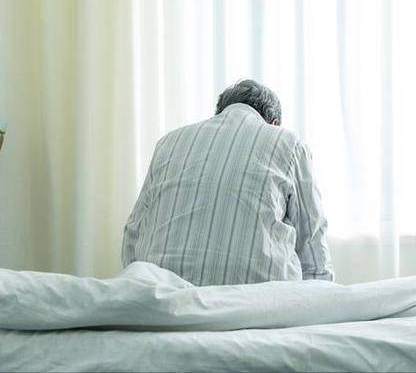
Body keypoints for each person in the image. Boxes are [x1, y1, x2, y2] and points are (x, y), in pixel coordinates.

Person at [122, 79, 333, 286]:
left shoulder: (168, 142)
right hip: (257, 300)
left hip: (165, 296)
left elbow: (134, 231)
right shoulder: (290, 144)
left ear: (219, 112)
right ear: (274, 124)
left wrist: (142, 289)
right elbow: (311, 237)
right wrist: (319, 296)